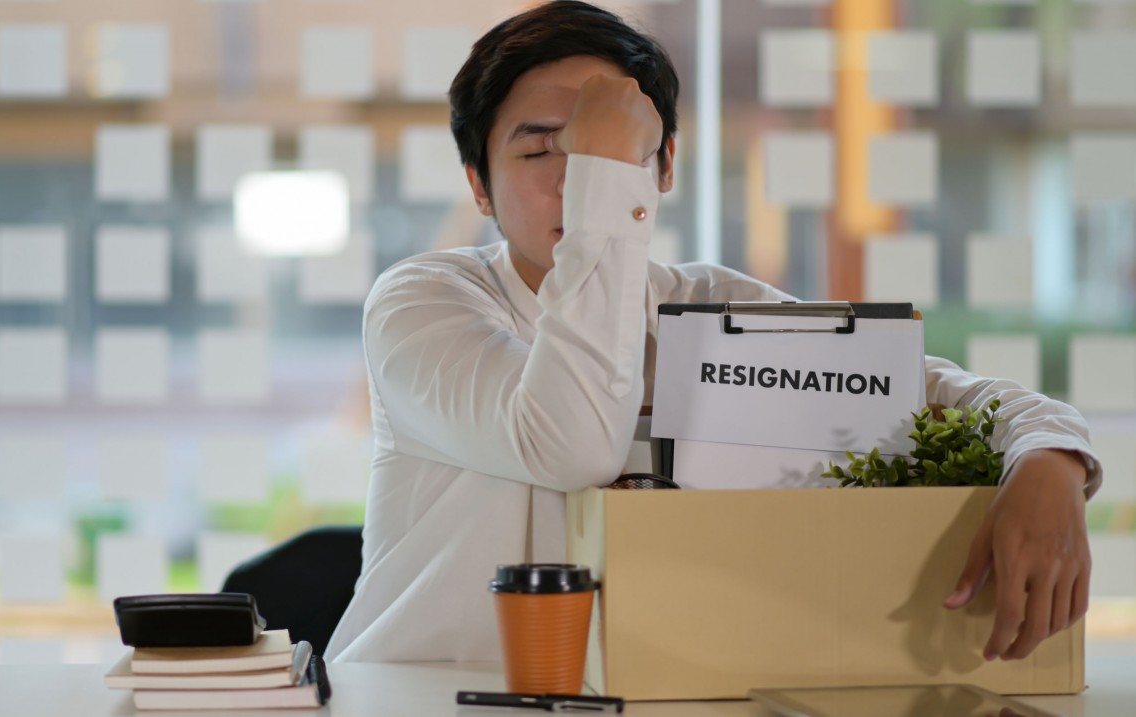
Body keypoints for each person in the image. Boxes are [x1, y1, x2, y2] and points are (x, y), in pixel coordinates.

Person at [324, 0, 1101, 665]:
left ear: (663, 169)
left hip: (656, 692)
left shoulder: (707, 308)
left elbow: (930, 390)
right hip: (418, 693)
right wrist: (606, 173)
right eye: (540, 150)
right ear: (477, 186)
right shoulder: (423, 302)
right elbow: (569, 443)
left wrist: (1050, 457)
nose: (575, 177)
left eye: (609, 151)